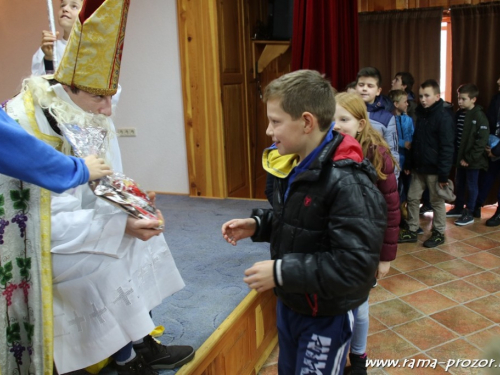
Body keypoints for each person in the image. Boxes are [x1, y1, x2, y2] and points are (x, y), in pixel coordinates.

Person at [1, 0, 194, 374]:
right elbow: (45, 221)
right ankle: (124, 359)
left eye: (111, 95)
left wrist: (132, 205)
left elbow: (96, 185)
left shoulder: (74, 110)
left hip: (70, 223)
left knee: (142, 238)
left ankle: (141, 342)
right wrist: (117, 224)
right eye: (99, 98)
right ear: (67, 85)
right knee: (106, 264)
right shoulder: (30, 126)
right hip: (35, 240)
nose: (108, 110)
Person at [221, 70, 387, 375]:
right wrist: (260, 225)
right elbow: (303, 223)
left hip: (325, 315)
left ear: (307, 122)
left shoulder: (348, 182)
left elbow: (355, 268)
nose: (269, 130)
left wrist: (282, 271)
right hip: (293, 302)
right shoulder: (297, 164)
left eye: (276, 121)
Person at [333, 92, 399, 375]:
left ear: (360, 124)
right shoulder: (326, 149)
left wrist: (385, 258)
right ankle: (335, 360)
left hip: (366, 249)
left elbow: (392, 211)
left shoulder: (377, 155)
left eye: (343, 119)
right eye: (332, 119)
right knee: (339, 310)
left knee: (358, 308)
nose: (336, 125)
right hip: (337, 246)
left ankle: (358, 359)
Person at [398, 79, 454, 248]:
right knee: (412, 198)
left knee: (436, 202)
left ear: (437, 96)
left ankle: (438, 232)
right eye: (421, 96)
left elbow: (447, 147)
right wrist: (408, 163)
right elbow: (416, 141)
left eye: (427, 96)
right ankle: (412, 229)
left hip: (435, 170)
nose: (423, 99)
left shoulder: (443, 117)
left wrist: (444, 174)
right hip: (418, 168)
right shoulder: (421, 114)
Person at [0, 108, 111, 189]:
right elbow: (19, 149)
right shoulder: (24, 115)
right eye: (98, 97)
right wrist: (78, 169)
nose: (108, 110)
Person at [444, 84, 489, 226]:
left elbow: (481, 141)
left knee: (471, 185)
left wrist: (469, 158)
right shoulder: (459, 114)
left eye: (463, 99)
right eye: (459, 98)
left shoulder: (479, 116)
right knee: (460, 183)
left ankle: (469, 211)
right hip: (459, 159)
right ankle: (458, 207)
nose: (460, 102)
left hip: (472, 161)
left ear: (473, 99)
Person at [355, 67, 399, 177]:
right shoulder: (347, 111)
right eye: (361, 85)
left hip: (376, 174)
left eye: (370, 86)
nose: (364, 89)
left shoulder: (387, 117)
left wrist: (394, 180)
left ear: (378, 91)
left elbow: (392, 152)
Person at [32, 0, 83, 75]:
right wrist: (48, 59)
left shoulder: (94, 49)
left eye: (74, 6)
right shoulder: (49, 47)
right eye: (62, 5)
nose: (65, 9)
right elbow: (37, 82)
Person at [475, 77, 500, 226]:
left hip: (497, 149)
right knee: (486, 177)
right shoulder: (496, 98)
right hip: (492, 146)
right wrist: (488, 146)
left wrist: (496, 151)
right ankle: (476, 206)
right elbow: (489, 123)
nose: (497, 81)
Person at [388, 89, 414, 215]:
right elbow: (388, 139)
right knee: (396, 188)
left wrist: (409, 162)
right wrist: (403, 143)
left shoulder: (408, 119)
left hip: (406, 161)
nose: (407, 104)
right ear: (396, 104)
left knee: (408, 188)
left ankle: (406, 212)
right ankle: (396, 213)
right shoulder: (388, 119)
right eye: (405, 101)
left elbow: (412, 137)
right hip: (394, 161)